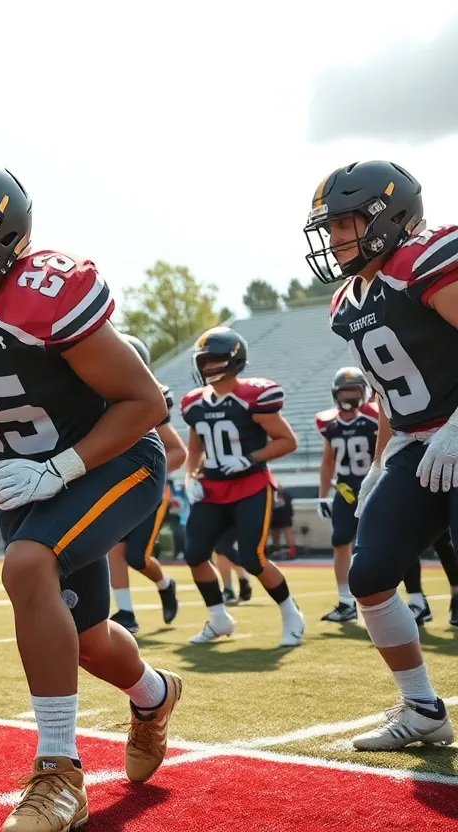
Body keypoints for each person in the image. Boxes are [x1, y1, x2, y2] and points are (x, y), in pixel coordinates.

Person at [0, 160, 178, 831]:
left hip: (113, 459)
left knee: (25, 563)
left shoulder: (43, 294)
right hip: (23, 474)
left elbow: (144, 402)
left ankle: (57, 775)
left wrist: (61, 467)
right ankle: (154, 697)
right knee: (86, 643)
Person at [308, 159, 458, 749]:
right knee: (369, 576)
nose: (334, 238)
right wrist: (377, 463)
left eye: (345, 224)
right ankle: (422, 708)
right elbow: (389, 395)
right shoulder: (348, 301)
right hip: (418, 444)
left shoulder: (422, 262)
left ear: (389, 218)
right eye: (331, 226)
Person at [180, 327, 305, 646]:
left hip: (249, 486)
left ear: (235, 360)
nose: (208, 366)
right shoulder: (193, 402)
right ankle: (219, 619)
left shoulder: (253, 396)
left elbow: (287, 441)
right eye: (204, 360)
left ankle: (292, 614)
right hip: (212, 489)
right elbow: (195, 446)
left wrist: (250, 458)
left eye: (216, 359)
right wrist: (190, 477)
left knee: (252, 558)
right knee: (194, 553)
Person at [107, 334, 186, 633]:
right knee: (112, 549)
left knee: (138, 557)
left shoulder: (150, 399)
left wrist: (147, 474)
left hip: (146, 486)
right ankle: (125, 613)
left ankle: (165, 584)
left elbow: (178, 451)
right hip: (114, 488)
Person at [316, 367, 378, 622]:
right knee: (340, 540)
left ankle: (389, 599)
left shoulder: (375, 418)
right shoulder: (329, 423)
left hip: (374, 484)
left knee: (378, 543)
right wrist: (322, 495)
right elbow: (328, 461)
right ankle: (345, 601)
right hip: (346, 488)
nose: (349, 396)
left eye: (354, 391)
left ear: (364, 392)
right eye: (344, 391)